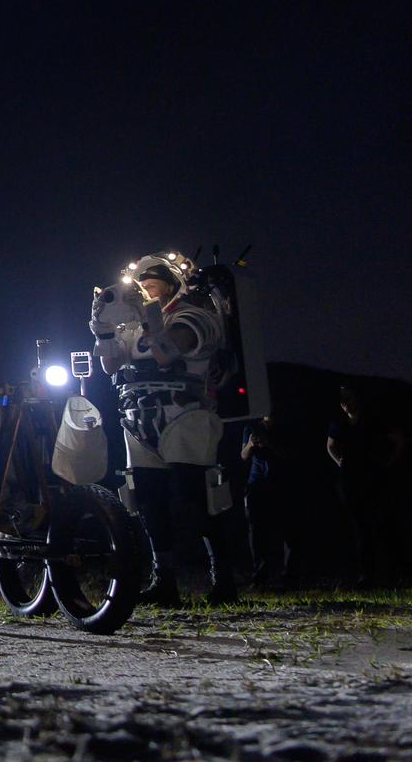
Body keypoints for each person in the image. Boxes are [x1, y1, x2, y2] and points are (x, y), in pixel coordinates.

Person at [90, 251, 237, 606]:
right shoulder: (132, 327)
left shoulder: (195, 316)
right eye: (141, 286)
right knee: (148, 502)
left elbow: (168, 352)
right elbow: (110, 366)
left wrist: (148, 316)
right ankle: (164, 578)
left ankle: (223, 578)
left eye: (151, 284)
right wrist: (103, 330)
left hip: (184, 414)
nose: (144, 290)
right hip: (139, 417)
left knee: (198, 499)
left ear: (172, 285)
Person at [326, 384, 406, 586]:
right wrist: (341, 462)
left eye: (350, 399)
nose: (347, 405)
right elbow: (330, 445)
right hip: (350, 480)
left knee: (381, 523)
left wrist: (389, 461)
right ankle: (366, 573)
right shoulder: (339, 422)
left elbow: (398, 439)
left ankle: (391, 571)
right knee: (359, 526)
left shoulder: (372, 419)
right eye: (343, 402)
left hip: (373, 476)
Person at [241, 414, 298, 587]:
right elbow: (243, 455)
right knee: (256, 531)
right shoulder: (251, 427)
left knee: (286, 530)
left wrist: (269, 444)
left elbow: (290, 454)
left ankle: (287, 575)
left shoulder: (285, 427)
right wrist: (251, 444)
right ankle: (259, 575)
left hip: (281, 484)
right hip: (257, 484)